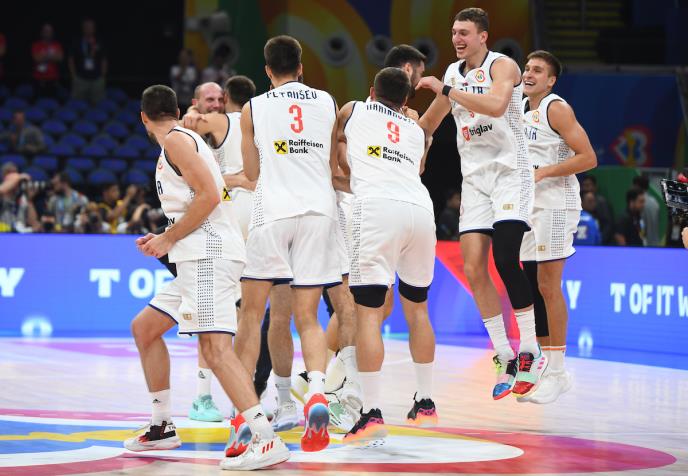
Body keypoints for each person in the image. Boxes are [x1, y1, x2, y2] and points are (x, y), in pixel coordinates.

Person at [125, 84, 288, 470]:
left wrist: (168, 238)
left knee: (215, 350)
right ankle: (161, 425)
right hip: (195, 257)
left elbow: (210, 197)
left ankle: (265, 437)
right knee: (145, 328)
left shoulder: (176, 141)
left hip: (209, 255)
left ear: (143, 117)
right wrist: (167, 236)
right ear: (178, 108)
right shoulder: (181, 140)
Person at [416, 7, 546, 399]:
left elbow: (497, 105)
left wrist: (445, 90)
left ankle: (530, 349)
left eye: (464, 33)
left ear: (482, 36)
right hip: (474, 181)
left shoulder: (502, 65)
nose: (457, 39)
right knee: (473, 267)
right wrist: (410, 138)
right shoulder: (452, 74)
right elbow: (429, 124)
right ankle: (504, 354)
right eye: (454, 32)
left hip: (510, 174)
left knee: (505, 259)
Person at [236, 35, 340, 452]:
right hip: (319, 211)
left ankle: (245, 415)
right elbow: (332, 164)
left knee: (251, 316)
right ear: (301, 66)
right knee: (308, 317)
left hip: (274, 213)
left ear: (267, 71)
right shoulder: (327, 101)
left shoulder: (253, 107)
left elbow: (251, 173)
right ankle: (315, 391)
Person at [331, 67, 437, 443]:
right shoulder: (415, 130)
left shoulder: (353, 108)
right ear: (406, 101)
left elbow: (334, 159)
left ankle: (371, 412)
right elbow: (413, 167)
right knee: (418, 308)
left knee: (368, 313)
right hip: (420, 210)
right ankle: (425, 401)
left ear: (371, 91)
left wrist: (334, 178)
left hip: (377, 210)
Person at [182, 76, 278, 426]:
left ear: (227, 98)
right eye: (207, 100)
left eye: (217, 99)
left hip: (233, 221)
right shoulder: (264, 119)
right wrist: (237, 179)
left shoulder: (222, 122)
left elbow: (180, 129)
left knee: (230, 315)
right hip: (248, 220)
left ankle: (227, 397)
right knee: (242, 315)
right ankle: (246, 397)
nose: (214, 105)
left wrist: (191, 115)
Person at [517, 50, 596, 404]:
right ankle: (546, 369)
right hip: (528, 205)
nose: (528, 73)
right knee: (535, 288)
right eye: (526, 68)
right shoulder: (519, 107)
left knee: (549, 285)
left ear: (550, 80)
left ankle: (559, 372)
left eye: (537, 70)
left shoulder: (556, 108)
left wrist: (544, 172)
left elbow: (589, 158)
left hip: (556, 203)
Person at [68, 18, 107, 104]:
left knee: (97, 104)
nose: (89, 29)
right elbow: (71, 59)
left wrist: (102, 76)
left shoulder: (99, 42)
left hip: (96, 79)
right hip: (80, 79)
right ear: (83, 28)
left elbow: (104, 60)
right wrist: (73, 76)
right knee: (78, 104)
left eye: (91, 27)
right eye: (87, 27)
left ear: (94, 28)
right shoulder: (77, 41)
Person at [32, 23, 64, 97]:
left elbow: (60, 58)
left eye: (49, 31)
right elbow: (37, 59)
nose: (47, 33)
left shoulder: (57, 45)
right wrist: (52, 56)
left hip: (53, 79)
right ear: (41, 32)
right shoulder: (36, 45)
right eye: (45, 31)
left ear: (52, 33)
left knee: (52, 102)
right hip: (39, 79)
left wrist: (43, 56)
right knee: (38, 102)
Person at [580, 175, 614, 244]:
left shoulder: (602, 203)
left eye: (588, 185)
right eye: (584, 185)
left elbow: (607, 225)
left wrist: (600, 241)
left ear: (595, 186)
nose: (586, 188)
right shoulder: (577, 207)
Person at [632, 175, 661, 246]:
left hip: (644, 245)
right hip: (656, 244)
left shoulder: (639, 204)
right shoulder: (655, 202)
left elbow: (641, 226)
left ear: (637, 186)